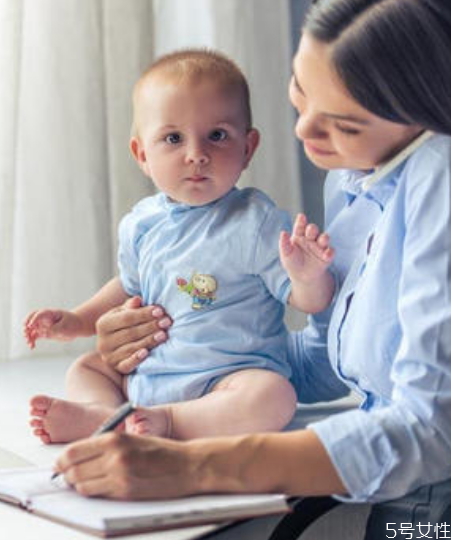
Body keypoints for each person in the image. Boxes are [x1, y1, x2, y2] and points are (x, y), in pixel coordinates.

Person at [52, 0, 451, 535]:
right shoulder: (355, 177)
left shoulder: (438, 177)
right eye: (300, 93)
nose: (304, 130)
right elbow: (335, 358)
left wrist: (193, 463)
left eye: (344, 124)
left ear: (425, 115)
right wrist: (188, 351)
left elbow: (432, 430)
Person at [23, 49, 335, 443]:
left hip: (224, 385)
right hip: (148, 374)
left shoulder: (257, 222)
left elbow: (312, 302)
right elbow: (127, 286)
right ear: (142, 155)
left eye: (217, 136)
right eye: (172, 138)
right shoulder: (141, 223)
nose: (196, 155)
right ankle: (106, 417)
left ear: (248, 148)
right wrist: (77, 321)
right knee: (86, 368)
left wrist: (308, 277)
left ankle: (168, 422)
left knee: (274, 395)